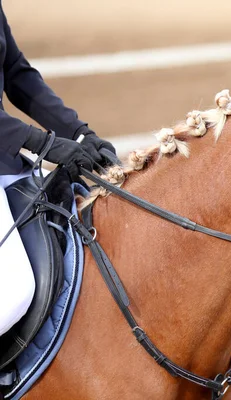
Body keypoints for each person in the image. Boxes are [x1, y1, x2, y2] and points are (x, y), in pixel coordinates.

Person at [0, 0, 116, 336]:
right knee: (13, 295)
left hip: (7, 164)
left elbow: (16, 72)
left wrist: (80, 133)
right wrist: (43, 143)